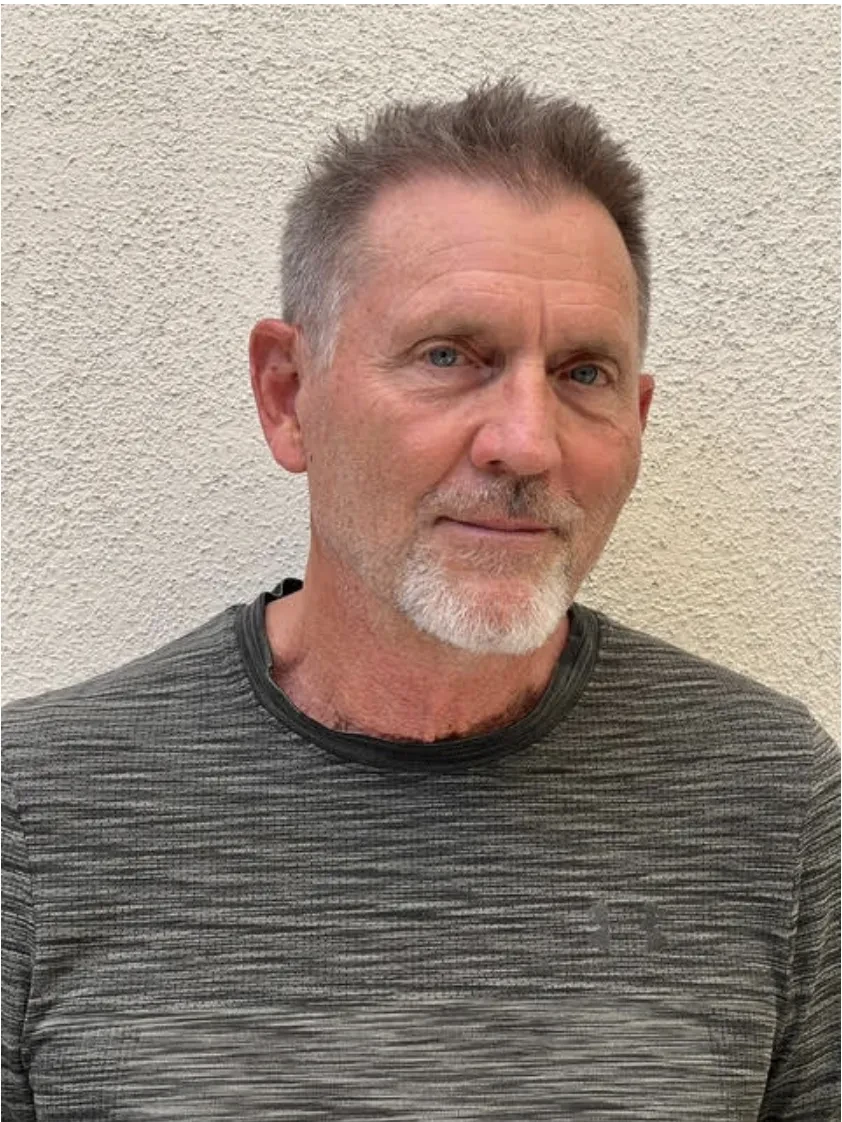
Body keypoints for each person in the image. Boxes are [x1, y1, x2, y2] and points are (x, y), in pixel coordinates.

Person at [2, 78, 838, 1121]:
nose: (525, 443)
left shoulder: (772, 802)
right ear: (286, 395)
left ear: (635, 416)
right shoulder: (36, 815)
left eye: (582, 373)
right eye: (449, 356)